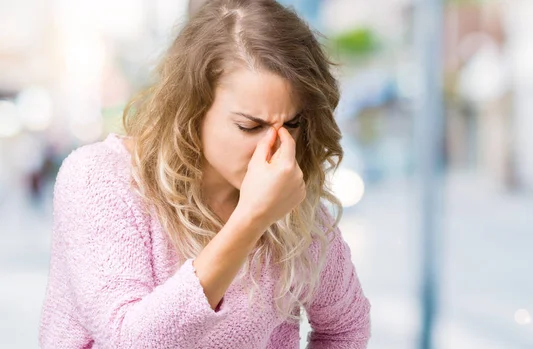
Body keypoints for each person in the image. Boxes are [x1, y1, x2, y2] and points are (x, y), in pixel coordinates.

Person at [39, 0, 371, 347]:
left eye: (293, 123)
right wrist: (249, 221)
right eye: (249, 126)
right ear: (192, 111)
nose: (273, 150)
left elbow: (346, 326)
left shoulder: (290, 204)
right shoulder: (99, 179)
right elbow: (130, 340)